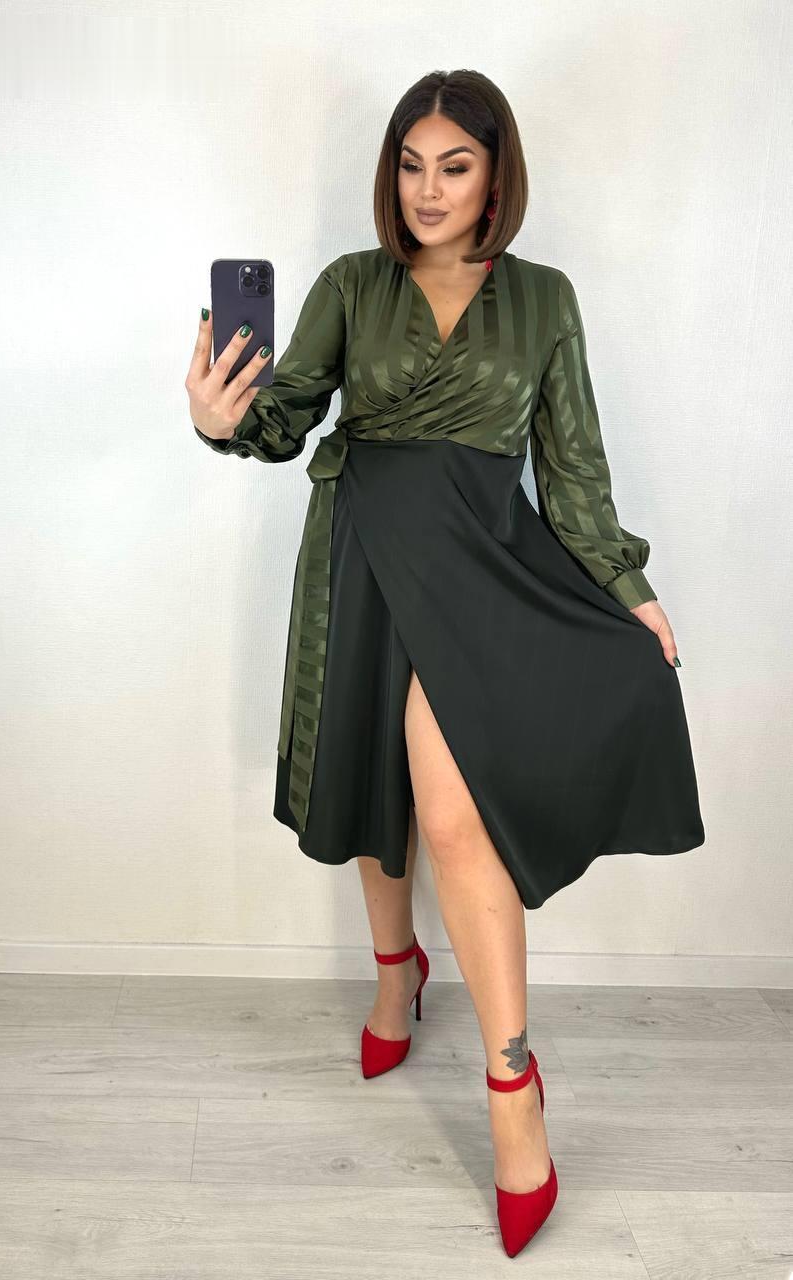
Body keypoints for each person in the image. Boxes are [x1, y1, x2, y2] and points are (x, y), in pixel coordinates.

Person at [185, 69, 705, 1257]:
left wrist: (628, 587)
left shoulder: (543, 297)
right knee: (378, 785)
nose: (428, 190)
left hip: (480, 562)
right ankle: (396, 969)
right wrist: (222, 420)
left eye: (454, 166)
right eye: (411, 165)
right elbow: (284, 417)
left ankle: (512, 1082)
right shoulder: (351, 284)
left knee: (458, 815)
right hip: (365, 550)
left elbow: (571, 471)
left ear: (494, 174)